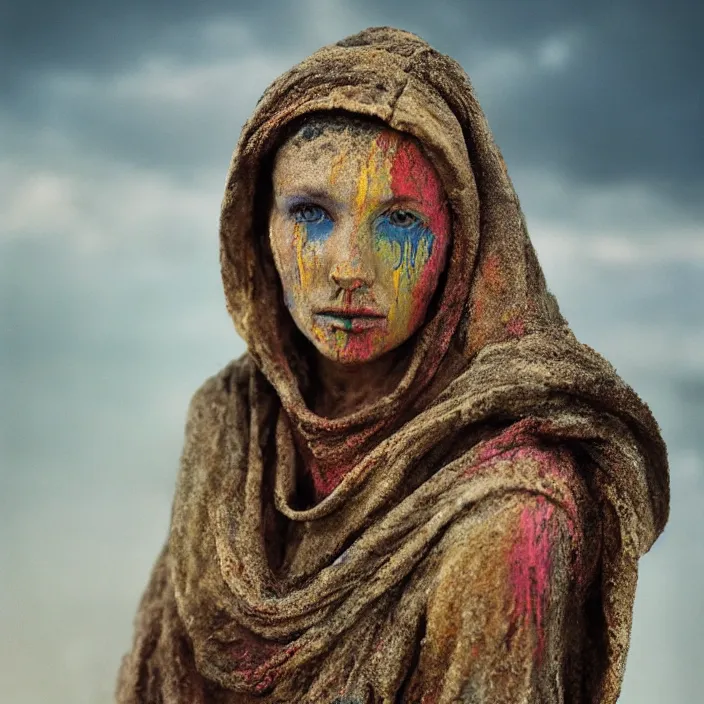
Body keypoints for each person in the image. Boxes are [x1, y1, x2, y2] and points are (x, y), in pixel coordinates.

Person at [116, 26, 669, 703]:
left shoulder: (510, 520)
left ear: (461, 240)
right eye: (312, 213)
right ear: (255, 225)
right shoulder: (230, 428)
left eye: (400, 221)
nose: (349, 270)